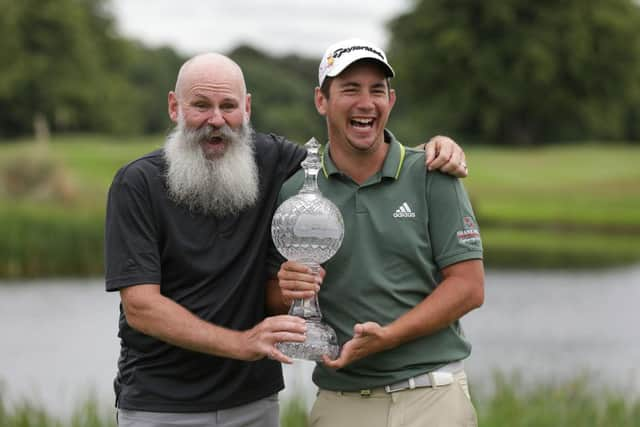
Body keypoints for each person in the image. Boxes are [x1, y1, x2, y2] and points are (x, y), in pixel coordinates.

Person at [104, 52, 469, 427]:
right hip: (160, 406)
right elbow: (141, 307)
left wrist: (435, 148)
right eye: (201, 105)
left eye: (228, 105)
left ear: (246, 108)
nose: (216, 119)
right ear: (174, 107)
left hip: (253, 403)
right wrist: (241, 343)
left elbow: (351, 154)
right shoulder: (137, 184)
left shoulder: (277, 162)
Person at [270, 39, 485, 427]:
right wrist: (285, 289)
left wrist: (390, 336)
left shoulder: (434, 175)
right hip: (341, 400)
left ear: (392, 100)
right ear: (321, 100)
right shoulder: (298, 191)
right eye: (350, 89)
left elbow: (469, 287)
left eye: (377, 90)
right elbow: (274, 299)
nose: (366, 102)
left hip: (433, 395)